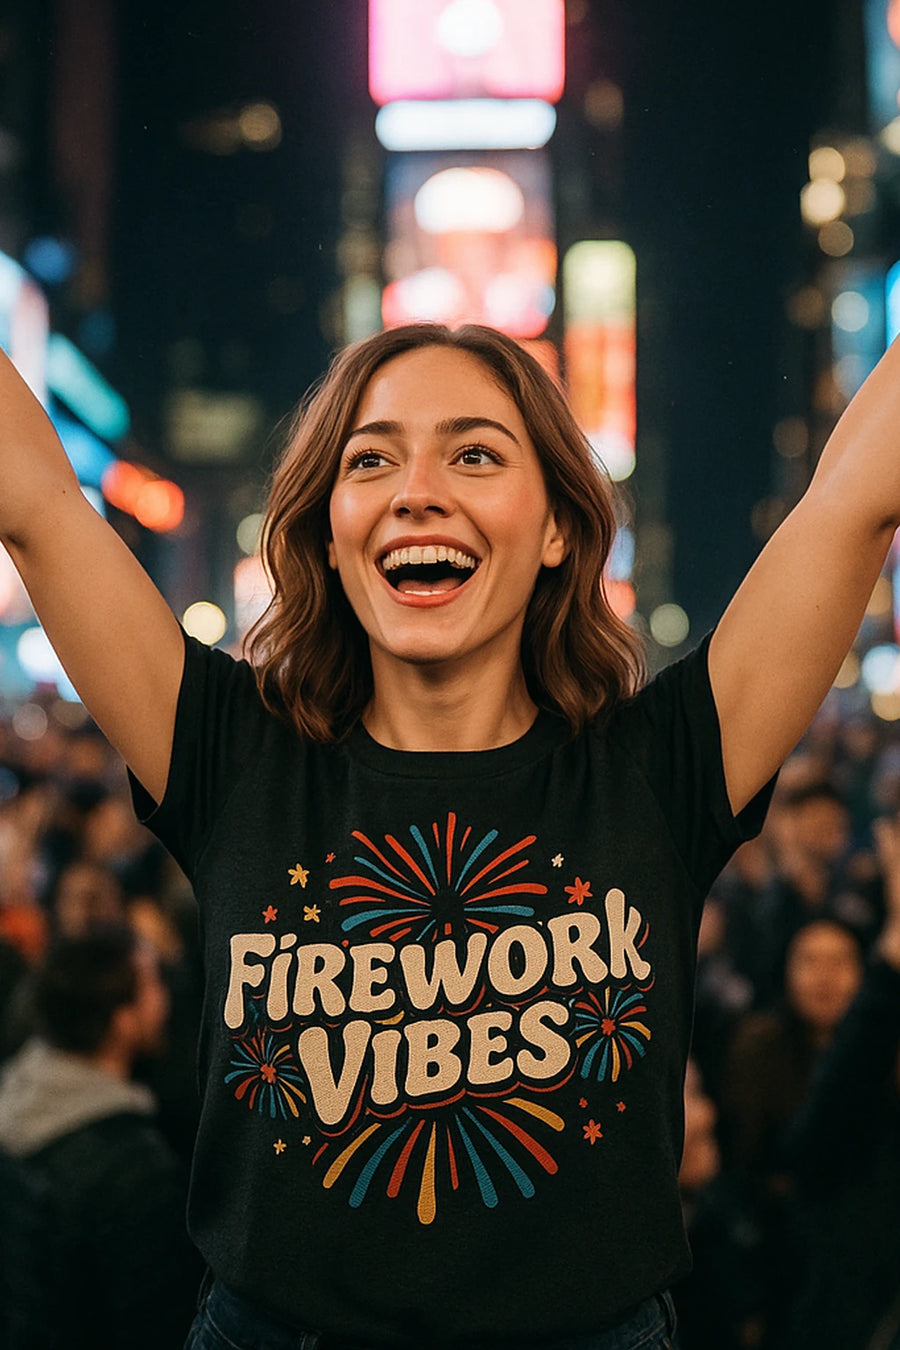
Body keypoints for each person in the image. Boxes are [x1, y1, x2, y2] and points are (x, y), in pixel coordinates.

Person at [1, 319, 898, 1350]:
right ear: (332, 535)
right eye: (371, 459)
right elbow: (35, 503)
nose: (416, 490)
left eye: (474, 453)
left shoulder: (662, 768)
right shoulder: (229, 750)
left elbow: (856, 498)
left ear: (560, 526)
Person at [0, 924, 202, 1348]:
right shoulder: (134, 1169)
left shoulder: (16, 1106)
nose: (164, 999)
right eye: (152, 985)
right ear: (121, 1020)